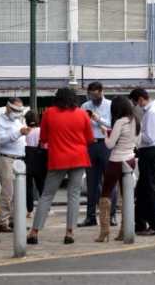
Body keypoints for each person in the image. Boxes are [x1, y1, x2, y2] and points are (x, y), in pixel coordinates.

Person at [27, 87, 94, 245]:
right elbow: (90, 139)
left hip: (57, 158)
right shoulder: (82, 113)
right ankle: (69, 232)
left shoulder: (49, 113)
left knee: (47, 195)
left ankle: (35, 231)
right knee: (74, 195)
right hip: (79, 157)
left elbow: (43, 138)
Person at [95, 96, 140, 242]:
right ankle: (124, 230)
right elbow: (136, 141)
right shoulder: (136, 120)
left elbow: (109, 144)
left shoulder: (120, 122)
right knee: (126, 195)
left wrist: (105, 135)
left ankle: (104, 231)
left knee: (105, 194)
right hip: (130, 159)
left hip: (116, 160)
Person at [79, 82, 118, 227]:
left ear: (102, 92)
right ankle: (90, 217)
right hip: (90, 144)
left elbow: (113, 125)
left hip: (105, 144)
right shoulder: (85, 106)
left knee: (109, 181)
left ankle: (112, 215)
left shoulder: (110, 105)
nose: (93, 98)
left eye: (96, 95)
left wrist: (97, 119)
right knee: (91, 182)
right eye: (91, 95)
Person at [129, 88, 155, 236]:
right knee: (142, 189)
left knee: (148, 189)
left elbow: (149, 137)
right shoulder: (154, 110)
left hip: (151, 150)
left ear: (140, 99)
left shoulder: (151, 112)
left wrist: (134, 135)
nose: (136, 106)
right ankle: (140, 223)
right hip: (152, 150)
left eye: (135, 102)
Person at [0, 97, 29, 232]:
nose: (17, 112)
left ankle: (16, 221)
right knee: (8, 193)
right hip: (7, 159)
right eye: (14, 109)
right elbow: (2, 140)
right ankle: (2, 222)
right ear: (7, 107)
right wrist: (19, 133)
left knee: (18, 193)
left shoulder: (19, 121)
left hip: (20, 159)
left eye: (19, 110)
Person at [24, 110, 47, 216]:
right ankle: (44, 209)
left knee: (28, 186)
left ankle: (29, 210)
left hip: (27, 159)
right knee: (41, 185)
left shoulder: (25, 131)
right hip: (40, 159)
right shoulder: (41, 130)